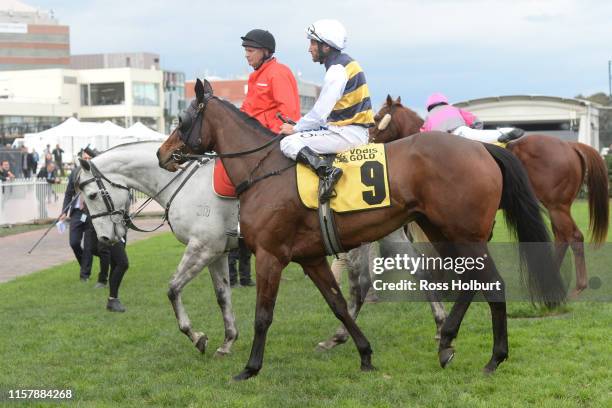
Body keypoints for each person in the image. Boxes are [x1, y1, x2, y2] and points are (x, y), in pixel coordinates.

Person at [225, 29, 302, 287]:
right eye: (245, 50)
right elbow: (247, 113)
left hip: (272, 145)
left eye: (250, 50)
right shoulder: (255, 76)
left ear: (265, 51)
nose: (246, 54)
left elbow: (288, 113)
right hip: (254, 148)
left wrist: (258, 135)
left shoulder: (278, 73)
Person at [279, 19, 374, 202]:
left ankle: (327, 172)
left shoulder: (336, 70)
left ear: (326, 46)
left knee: (288, 143)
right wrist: (302, 126)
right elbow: (325, 116)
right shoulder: (346, 64)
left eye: (313, 43)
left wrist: (296, 128)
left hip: (347, 134)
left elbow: (319, 113)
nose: (309, 49)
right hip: (350, 130)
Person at [420, 92, 524, 143]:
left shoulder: (428, 117)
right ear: (444, 101)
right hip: (460, 133)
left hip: (440, 142)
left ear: (429, 106)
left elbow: (423, 134)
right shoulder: (454, 109)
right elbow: (476, 122)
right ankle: (505, 132)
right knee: (486, 136)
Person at [59, 149, 95, 282]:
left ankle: (84, 275)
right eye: (84, 158)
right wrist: (64, 211)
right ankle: (84, 266)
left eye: (89, 158)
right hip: (76, 213)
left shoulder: (96, 173)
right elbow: (68, 193)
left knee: (88, 246)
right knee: (74, 243)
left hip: (91, 213)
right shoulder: (75, 172)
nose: (86, 160)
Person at [96, 236, 130, 312]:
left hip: (115, 231)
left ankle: (112, 301)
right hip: (109, 232)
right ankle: (112, 299)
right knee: (123, 263)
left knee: (115, 264)